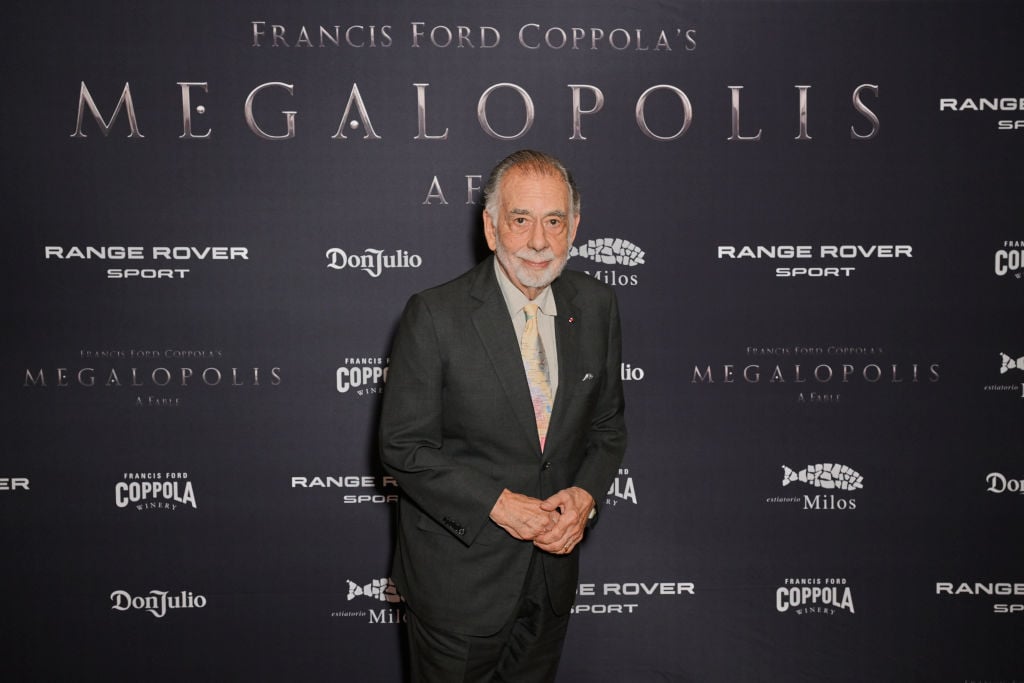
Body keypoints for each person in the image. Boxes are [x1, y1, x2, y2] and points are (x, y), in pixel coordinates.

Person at [380, 149, 627, 682]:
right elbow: (404, 447)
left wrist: (585, 496)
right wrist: (496, 504)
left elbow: (607, 428)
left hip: (551, 578)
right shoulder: (434, 314)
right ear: (491, 229)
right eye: (521, 220)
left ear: (574, 227)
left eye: (554, 221)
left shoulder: (599, 304)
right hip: (459, 583)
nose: (538, 241)